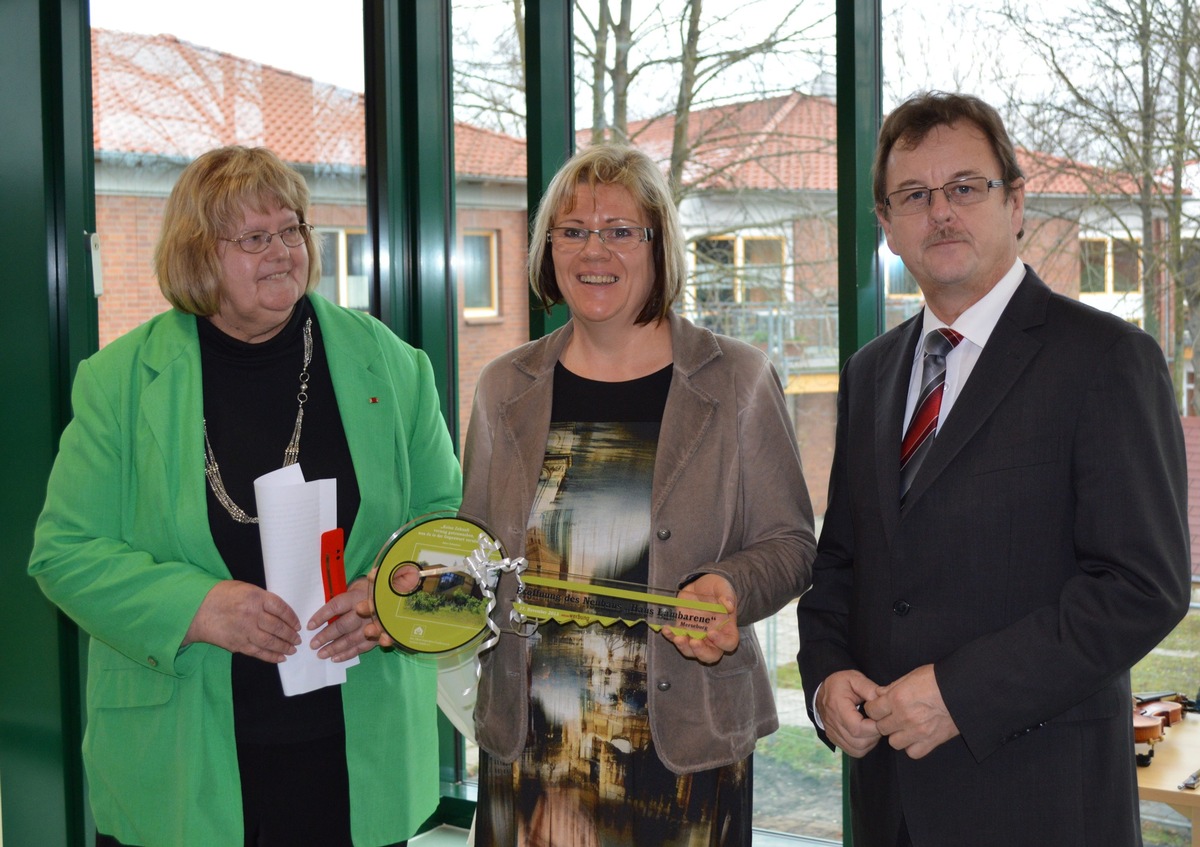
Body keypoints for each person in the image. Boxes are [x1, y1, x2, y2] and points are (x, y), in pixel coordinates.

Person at [27, 146, 462, 847]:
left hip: (356, 756)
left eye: (292, 230)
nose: (282, 251)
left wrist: (387, 595)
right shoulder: (119, 382)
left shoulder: (393, 363)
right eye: (255, 237)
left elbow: (445, 527)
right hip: (178, 762)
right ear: (199, 255)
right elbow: (64, 553)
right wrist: (195, 607)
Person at [795, 91, 1192, 846]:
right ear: (887, 224)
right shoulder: (871, 372)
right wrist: (824, 681)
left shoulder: (1106, 359)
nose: (940, 212)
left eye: (965, 187)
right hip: (891, 809)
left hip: (1040, 804)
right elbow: (841, 564)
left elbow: (1144, 586)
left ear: (1015, 201)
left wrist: (958, 693)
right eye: (914, 195)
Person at [451, 143, 816, 846]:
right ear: (547, 249)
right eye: (574, 230)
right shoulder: (504, 388)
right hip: (531, 755)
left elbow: (792, 545)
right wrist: (416, 587)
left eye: (621, 230)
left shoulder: (737, 380)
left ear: (659, 246)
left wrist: (729, 585)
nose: (596, 250)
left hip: (680, 757)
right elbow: (478, 554)